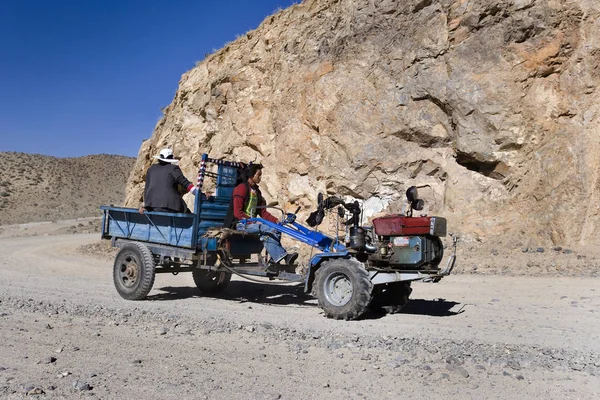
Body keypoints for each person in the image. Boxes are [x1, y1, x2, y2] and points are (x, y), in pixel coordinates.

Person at [228, 164, 298, 274]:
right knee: (267, 229)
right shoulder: (241, 189)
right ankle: (282, 257)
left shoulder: (257, 192)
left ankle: (274, 260)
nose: (260, 178)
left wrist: (276, 221)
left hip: (253, 223)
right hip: (242, 223)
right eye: (258, 175)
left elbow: (263, 212)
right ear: (251, 175)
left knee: (276, 228)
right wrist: (254, 220)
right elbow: (237, 213)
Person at [139, 148, 199, 214]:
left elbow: (147, 187)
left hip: (152, 206)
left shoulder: (151, 169)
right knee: (188, 213)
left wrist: (146, 204)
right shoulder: (173, 168)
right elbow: (185, 183)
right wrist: (198, 193)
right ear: (170, 159)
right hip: (171, 206)